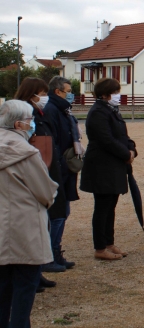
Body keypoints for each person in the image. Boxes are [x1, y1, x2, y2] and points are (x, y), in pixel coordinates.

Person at [0, 100, 58, 328]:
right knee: (25, 288)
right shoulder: (26, 154)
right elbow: (45, 191)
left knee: (3, 288)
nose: (33, 124)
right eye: (30, 120)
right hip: (25, 228)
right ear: (18, 124)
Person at [14, 78, 66, 287]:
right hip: (32, 174)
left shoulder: (41, 114)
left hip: (47, 169)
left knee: (43, 223)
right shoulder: (24, 115)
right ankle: (30, 276)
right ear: (32, 93)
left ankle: (37, 273)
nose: (45, 98)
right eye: (42, 93)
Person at [80, 78, 137, 260]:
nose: (118, 96)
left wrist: (132, 149)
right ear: (104, 94)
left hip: (114, 165)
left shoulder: (111, 110)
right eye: (114, 92)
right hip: (101, 166)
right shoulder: (98, 112)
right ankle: (100, 247)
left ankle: (109, 242)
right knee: (102, 207)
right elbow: (106, 139)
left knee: (111, 206)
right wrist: (125, 154)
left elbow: (122, 135)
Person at [43, 76, 82, 272]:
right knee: (57, 214)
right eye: (68, 90)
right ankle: (49, 255)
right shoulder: (52, 110)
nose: (71, 94)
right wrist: (60, 166)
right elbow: (53, 143)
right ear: (58, 92)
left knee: (63, 212)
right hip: (58, 170)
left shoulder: (64, 110)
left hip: (65, 169)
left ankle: (56, 252)